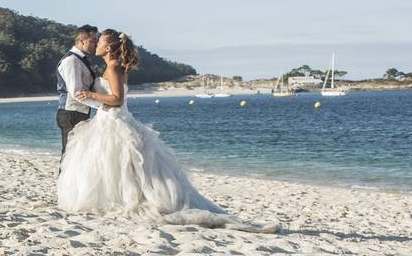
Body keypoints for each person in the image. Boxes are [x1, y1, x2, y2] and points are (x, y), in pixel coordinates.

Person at [57, 29, 277, 232]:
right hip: (107, 119)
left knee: (119, 165)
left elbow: (117, 99)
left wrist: (92, 95)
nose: (96, 44)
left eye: (100, 41)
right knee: (112, 166)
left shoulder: (114, 67)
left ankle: (124, 200)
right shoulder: (111, 66)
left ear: (108, 47)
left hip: (114, 120)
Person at [56, 25, 101, 156]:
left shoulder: (80, 60)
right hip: (71, 113)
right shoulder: (71, 60)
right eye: (93, 41)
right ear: (82, 41)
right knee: (70, 155)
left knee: (78, 156)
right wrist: (102, 106)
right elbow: (77, 92)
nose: (96, 44)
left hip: (78, 112)